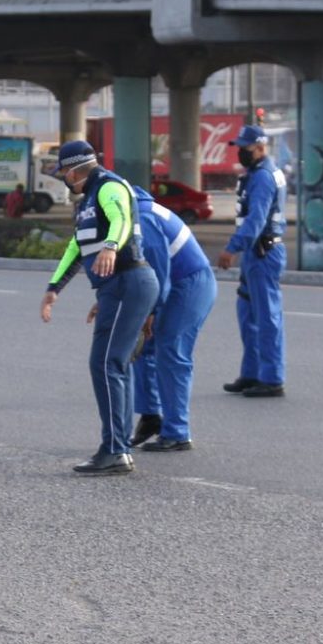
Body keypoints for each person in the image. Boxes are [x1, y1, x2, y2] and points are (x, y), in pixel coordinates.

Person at [39, 140, 157, 477]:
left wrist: (110, 246)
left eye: (63, 172)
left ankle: (115, 450)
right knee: (115, 364)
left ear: (73, 170)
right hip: (116, 288)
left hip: (127, 281)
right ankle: (119, 448)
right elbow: (76, 247)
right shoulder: (88, 201)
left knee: (105, 364)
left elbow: (121, 218)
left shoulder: (108, 186)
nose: (63, 178)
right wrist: (54, 288)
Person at [128, 182, 219, 451]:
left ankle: (178, 432)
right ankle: (151, 417)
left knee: (170, 351)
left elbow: (158, 272)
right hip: (175, 282)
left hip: (190, 283)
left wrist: (151, 311)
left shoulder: (143, 219)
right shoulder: (135, 211)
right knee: (145, 348)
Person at [218, 125, 288, 398]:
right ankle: (252, 373)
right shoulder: (256, 174)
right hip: (255, 253)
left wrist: (232, 248)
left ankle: (271, 379)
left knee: (267, 318)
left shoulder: (263, 177)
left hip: (263, 253)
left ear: (260, 147)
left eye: (244, 148)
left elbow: (256, 219)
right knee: (248, 316)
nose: (240, 152)